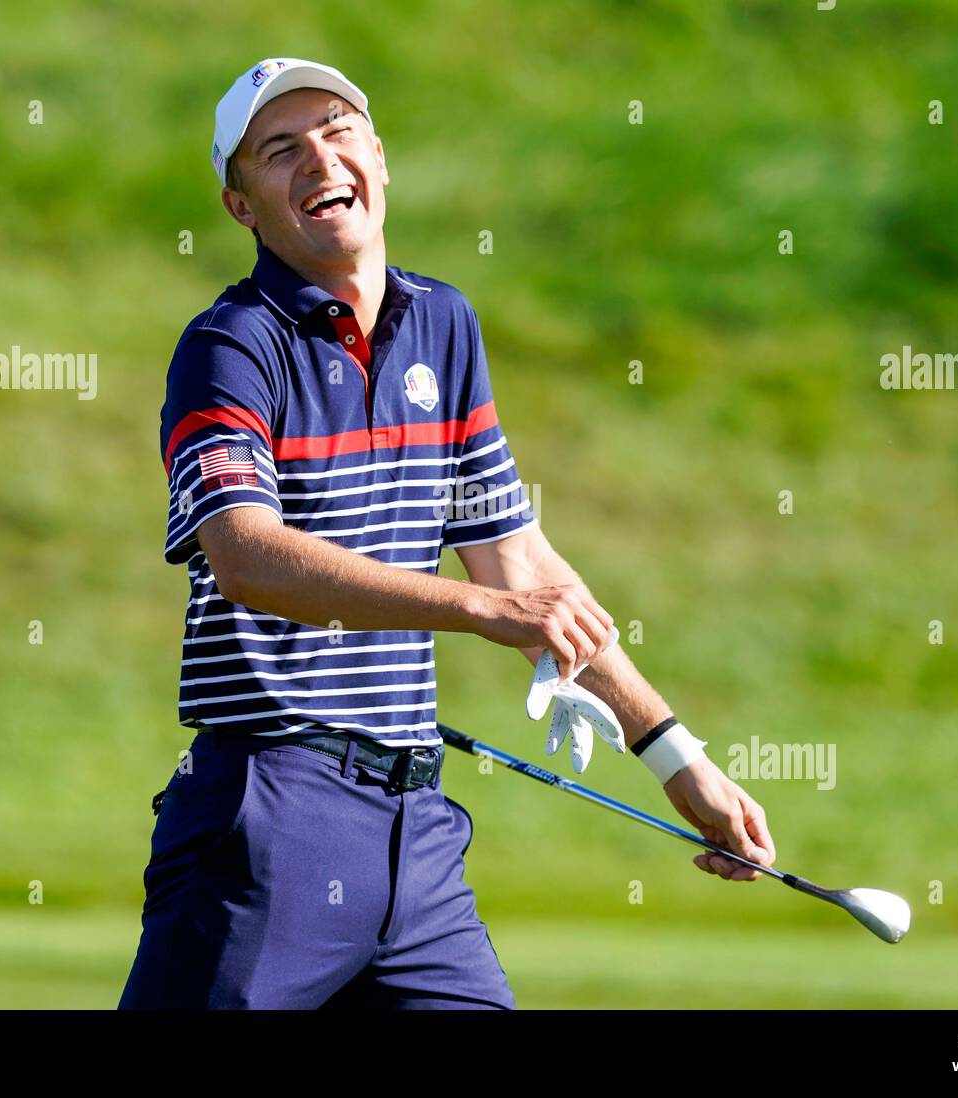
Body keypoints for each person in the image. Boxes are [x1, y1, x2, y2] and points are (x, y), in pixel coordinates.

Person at [118, 56, 777, 1010]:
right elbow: (246, 555)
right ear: (240, 205)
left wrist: (677, 759)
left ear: (379, 160)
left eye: (338, 133)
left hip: (415, 837)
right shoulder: (231, 345)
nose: (319, 159)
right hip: (268, 819)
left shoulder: (443, 324)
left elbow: (518, 558)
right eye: (280, 151)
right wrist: (485, 611)